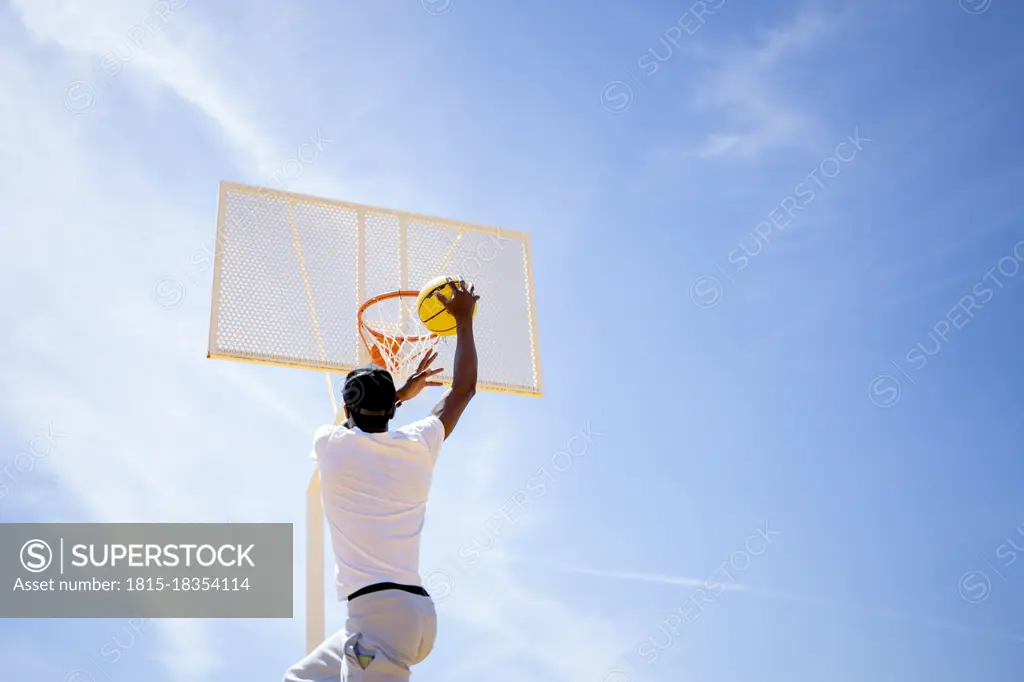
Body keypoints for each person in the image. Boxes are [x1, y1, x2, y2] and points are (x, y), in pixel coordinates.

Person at [284, 279, 480, 682]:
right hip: (404, 614)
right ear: (391, 409)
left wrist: (400, 393)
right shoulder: (417, 443)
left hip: (381, 619)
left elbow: (360, 422)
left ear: (346, 408)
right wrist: (463, 319)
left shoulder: (329, 443)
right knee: (300, 679)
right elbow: (463, 391)